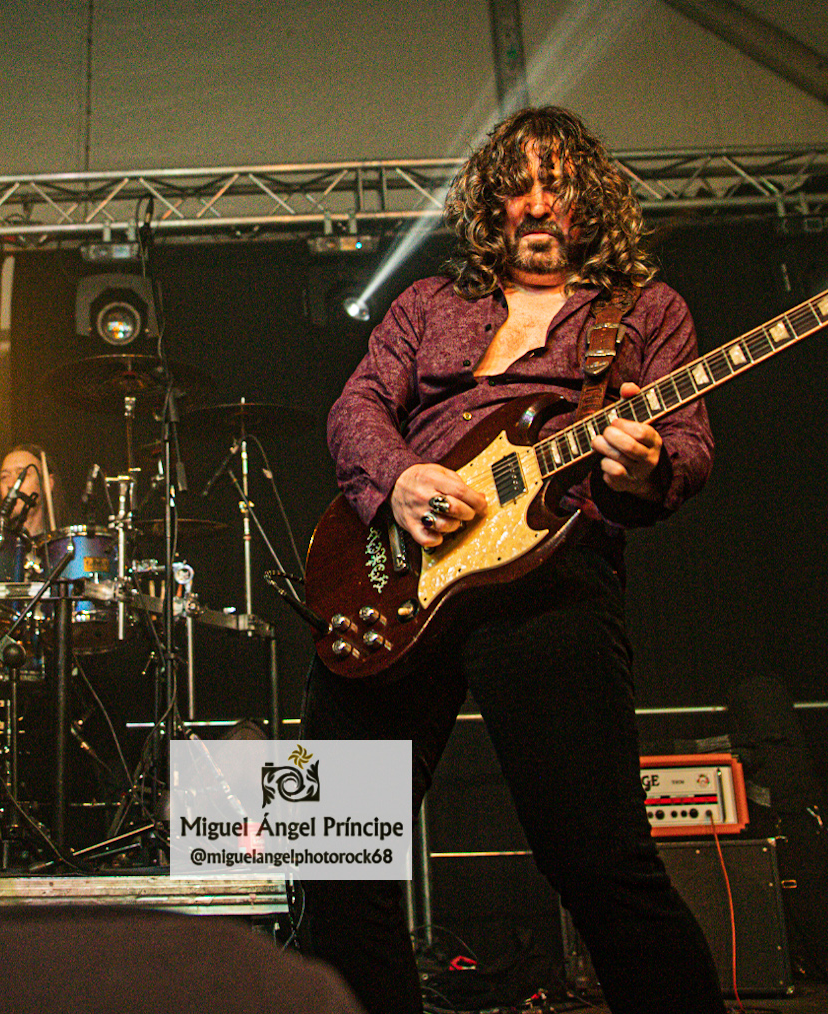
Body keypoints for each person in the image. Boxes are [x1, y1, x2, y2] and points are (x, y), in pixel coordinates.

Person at [308, 106, 725, 1014]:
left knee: (599, 862)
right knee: (332, 858)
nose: (536, 203)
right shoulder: (428, 304)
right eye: (517, 187)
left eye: (556, 186)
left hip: (550, 582)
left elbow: (688, 447)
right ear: (490, 207)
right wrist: (400, 479)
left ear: (590, 201)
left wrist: (647, 468)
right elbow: (355, 409)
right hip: (395, 583)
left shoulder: (648, 311)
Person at [0, 444, 55, 539]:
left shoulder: (60, 544)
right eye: (5, 477)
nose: (11, 484)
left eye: (22, 474)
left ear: (48, 483)